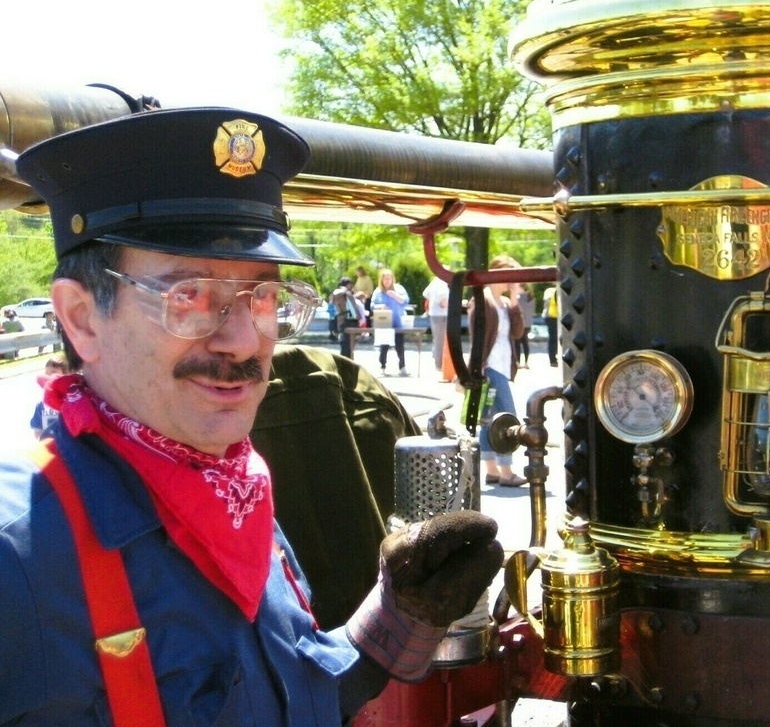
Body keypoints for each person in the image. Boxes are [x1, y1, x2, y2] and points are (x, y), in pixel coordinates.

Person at [0, 107, 503, 725]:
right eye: (188, 297)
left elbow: (290, 690)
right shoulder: (19, 555)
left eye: (262, 296)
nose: (241, 341)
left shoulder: (232, 483)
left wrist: (400, 617)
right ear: (81, 318)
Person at [468, 255, 527, 487]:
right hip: (489, 367)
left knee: (489, 419)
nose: (512, 281)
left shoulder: (502, 302)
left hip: (502, 365)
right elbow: (477, 338)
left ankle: (492, 469)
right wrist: (475, 369)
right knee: (507, 417)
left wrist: (514, 300)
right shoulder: (482, 302)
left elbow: (518, 332)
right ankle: (506, 470)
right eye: (510, 276)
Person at [370, 267, 411, 377]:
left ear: (393, 279)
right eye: (385, 279)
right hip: (384, 323)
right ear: (381, 280)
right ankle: (382, 367)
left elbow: (405, 301)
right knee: (384, 346)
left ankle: (402, 367)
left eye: (389, 278)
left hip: (398, 322)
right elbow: (372, 306)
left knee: (400, 346)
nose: (387, 281)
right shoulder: (378, 291)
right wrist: (381, 307)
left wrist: (394, 295)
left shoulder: (399, 289)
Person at [29, 352, 69, 438]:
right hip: (50, 446)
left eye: (53, 372)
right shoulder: (42, 404)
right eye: (46, 372)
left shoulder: (71, 401)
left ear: (66, 375)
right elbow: (38, 429)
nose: (48, 375)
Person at [331, 275, 367, 359]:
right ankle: (348, 363)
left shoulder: (335, 293)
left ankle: (342, 362)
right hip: (350, 321)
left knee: (343, 344)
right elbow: (353, 309)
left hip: (340, 321)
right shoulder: (347, 293)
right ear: (349, 284)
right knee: (350, 346)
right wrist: (359, 319)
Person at [422, 275, 450, 374]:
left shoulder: (434, 281)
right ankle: (439, 364)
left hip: (433, 314)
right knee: (441, 341)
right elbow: (443, 302)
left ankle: (438, 362)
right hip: (441, 315)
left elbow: (425, 294)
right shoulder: (442, 283)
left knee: (437, 339)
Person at [514, 283, 534, 368]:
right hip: (528, 323)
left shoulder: (518, 298)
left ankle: (518, 361)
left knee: (517, 343)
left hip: (520, 322)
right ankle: (526, 362)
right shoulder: (531, 298)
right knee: (525, 343)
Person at [543, 284, 559, 367]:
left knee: (552, 338)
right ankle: (553, 359)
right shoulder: (553, 291)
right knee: (553, 339)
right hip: (553, 316)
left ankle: (553, 358)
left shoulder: (548, 291)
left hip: (550, 316)